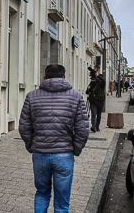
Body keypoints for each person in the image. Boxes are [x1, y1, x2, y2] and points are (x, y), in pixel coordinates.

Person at [19, 64, 89, 213]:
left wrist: (32, 145)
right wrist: (75, 149)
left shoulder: (32, 96)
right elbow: (82, 129)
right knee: (62, 203)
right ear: (64, 77)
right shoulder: (76, 96)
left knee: (42, 193)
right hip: (64, 155)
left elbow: (24, 126)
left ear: (44, 78)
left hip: (40, 155)